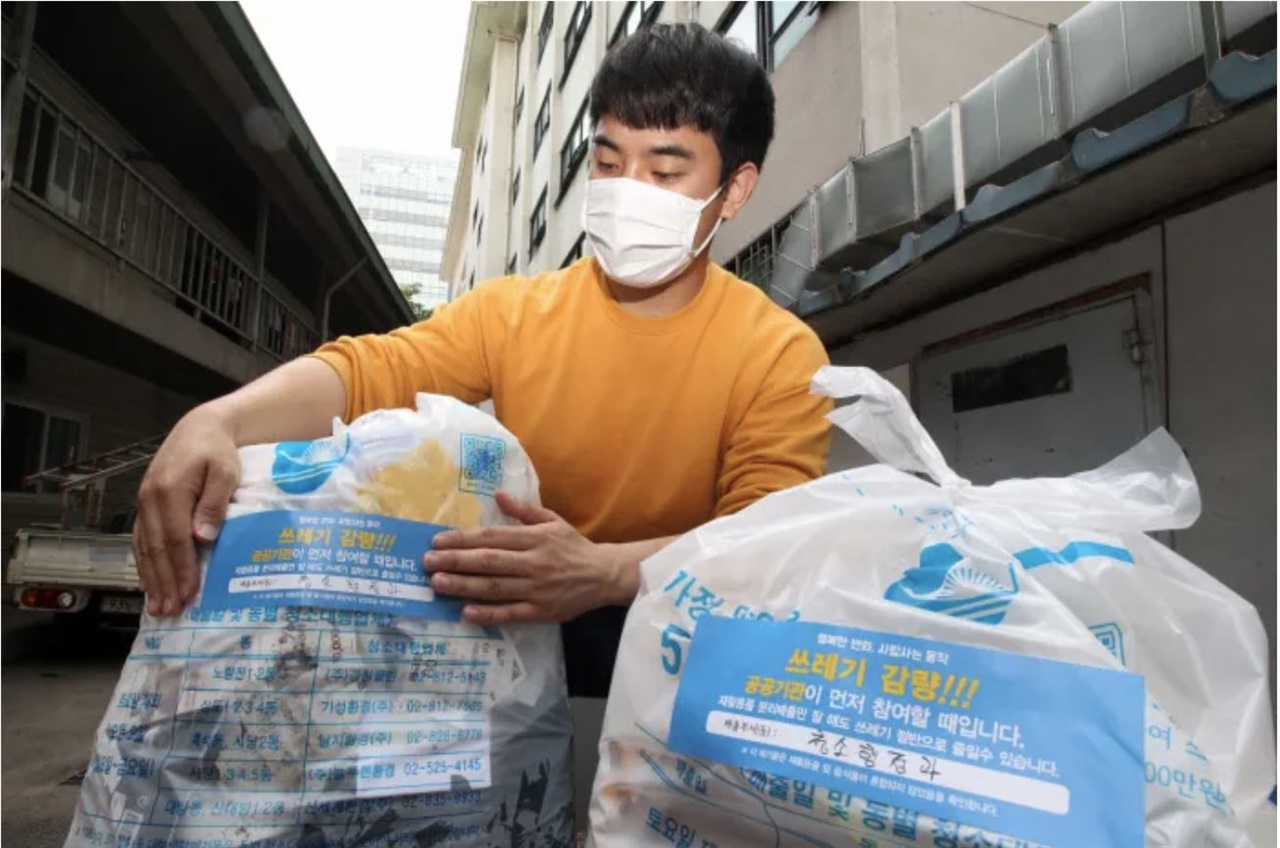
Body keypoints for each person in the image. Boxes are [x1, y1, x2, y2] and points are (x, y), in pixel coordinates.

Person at [132, 23, 833, 699]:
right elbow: (371, 371)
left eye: (665, 171)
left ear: (735, 190)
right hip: (516, 638)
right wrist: (219, 419)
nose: (626, 194)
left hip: (678, 653)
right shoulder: (513, 313)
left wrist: (602, 571)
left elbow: (760, 550)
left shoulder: (778, 354)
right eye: (609, 164)